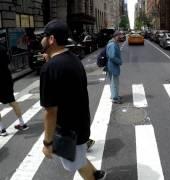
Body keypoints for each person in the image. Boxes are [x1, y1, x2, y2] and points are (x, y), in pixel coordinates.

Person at [39, 19, 105, 180]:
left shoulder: (49, 69)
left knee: (73, 163)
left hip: (67, 131)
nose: (41, 39)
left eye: (44, 35)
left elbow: (50, 111)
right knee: (77, 159)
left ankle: (94, 176)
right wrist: (51, 62)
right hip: (80, 123)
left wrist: (47, 143)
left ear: (51, 39)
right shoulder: (73, 59)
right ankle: (97, 174)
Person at [0, 37, 29, 136]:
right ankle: (22, 123)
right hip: (6, 78)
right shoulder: (2, 48)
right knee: (12, 101)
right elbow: (8, 61)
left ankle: (2, 129)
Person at [107, 31, 123, 104]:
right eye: (119, 36)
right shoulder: (113, 44)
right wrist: (119, 62)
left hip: (111, 65)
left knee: (113, 82)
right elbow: (112, 56)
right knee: (114, 83)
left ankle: (114, 95)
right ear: (116, 36)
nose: (120, 37)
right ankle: (115, 98)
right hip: (113, 66)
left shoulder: (111, 43)